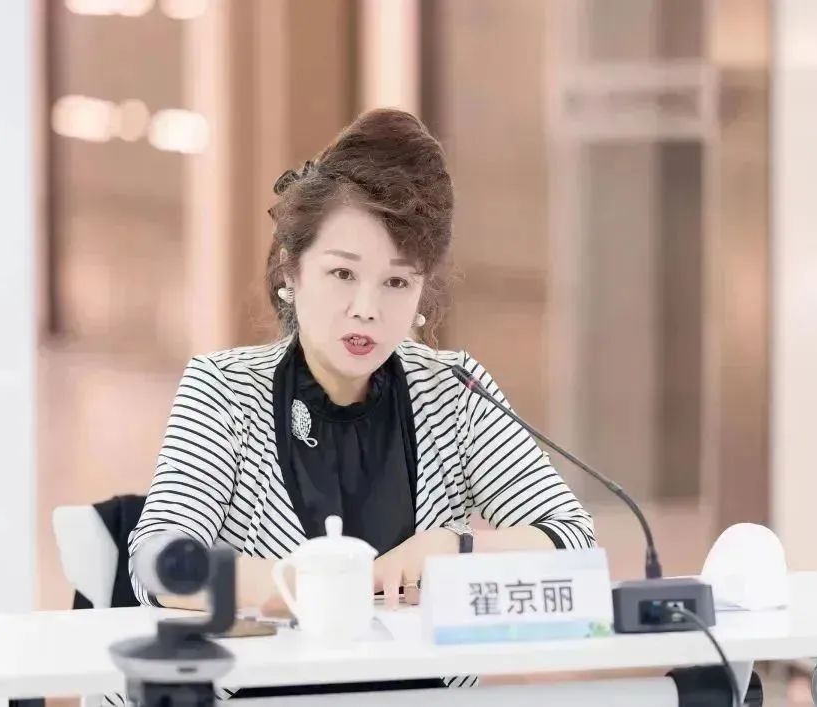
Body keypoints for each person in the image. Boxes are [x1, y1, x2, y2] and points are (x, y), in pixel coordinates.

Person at [126, 107, 595, 697]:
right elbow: (159, 562)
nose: (367, 310)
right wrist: (307, 587)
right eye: (343, 275)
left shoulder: (455, 391)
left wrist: (455, 549)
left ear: (423, 292)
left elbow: (571, 541)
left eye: (397, 282)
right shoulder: (224, 388)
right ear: (291, 272)